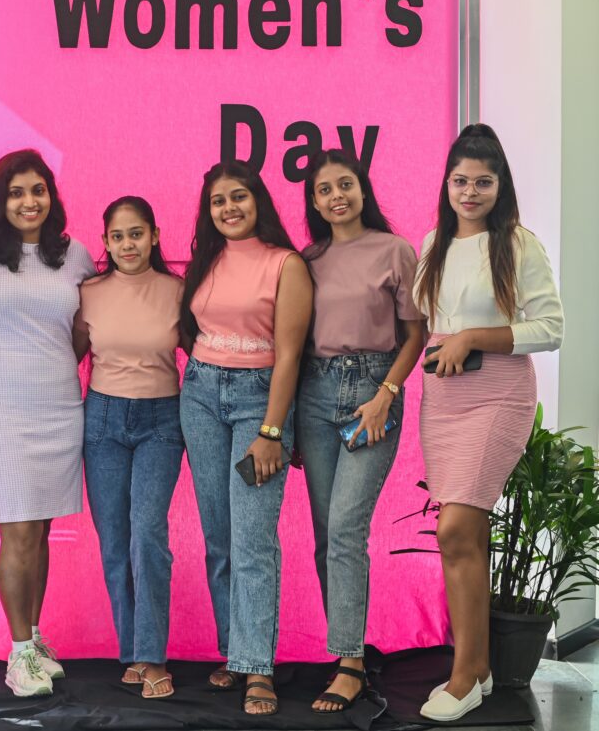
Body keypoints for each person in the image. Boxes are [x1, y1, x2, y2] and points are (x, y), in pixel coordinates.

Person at [414, 124, 563, 722]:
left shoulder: (520, 244)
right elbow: (427, 324)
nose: (470, 192)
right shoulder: (433, 243)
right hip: (442, 397)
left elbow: (550, 329)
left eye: (483, 182)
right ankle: (477, 671)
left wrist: (474, 336)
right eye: (460, 181)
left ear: (501, 186)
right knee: (467, 534)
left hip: (498, 393)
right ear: (446, 184)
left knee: (453, 529)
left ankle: (464, 675)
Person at [0, 149, 96, 697]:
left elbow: (84, 328)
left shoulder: (75, 254)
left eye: (37, 190)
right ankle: (18, 654)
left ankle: (35, 638)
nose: (28, 201)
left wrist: (60, 365)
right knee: (17, 530)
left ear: (51, 197)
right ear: (0, 201)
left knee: (39, 530)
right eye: (16, 192)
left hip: (58, 406)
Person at [294, 149, 425, 712]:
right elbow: (295, 342)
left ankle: (349, 664)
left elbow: (416, 335)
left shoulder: (395, 250)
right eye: (324, 190)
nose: (336, 196)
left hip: (373, 392)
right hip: (315, 396)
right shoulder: (307, 260)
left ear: (363, 189)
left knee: (347, 527)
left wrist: (385, 395)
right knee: (327, 534)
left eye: (344, 184)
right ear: (314, 202)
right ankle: (345, 651)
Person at [179, 160, 312, 715]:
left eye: (238, 197)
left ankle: (259, 668)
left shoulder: (286, 264)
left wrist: (273, 431)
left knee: (253, 538)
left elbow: (290, 356)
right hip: (200, 396)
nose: (229, 208)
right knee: (219, 536)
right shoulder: (207, 259)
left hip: (260, 401)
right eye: (218, 201)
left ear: (258, 200)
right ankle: (236, 653)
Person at [73, 196, 184, 699]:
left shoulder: (177, 291)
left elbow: (203, 354)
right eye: (117, 237)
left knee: (147, 533)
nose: (127, 245)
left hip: (162, 421)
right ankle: (132, 651)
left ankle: (153, 656)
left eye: (136, 234)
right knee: (115, 540)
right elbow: (69, 355)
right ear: (106, 242)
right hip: (102, 421)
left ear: (154, 236)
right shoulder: (90, 293)